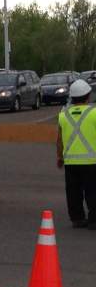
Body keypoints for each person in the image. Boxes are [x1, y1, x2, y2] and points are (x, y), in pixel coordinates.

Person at [56, 78, 96, 227]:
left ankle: (77, 218)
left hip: (71, 162)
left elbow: (59, 140)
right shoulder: (94, 113)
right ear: (88, 96)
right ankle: (94, 220)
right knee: (92, 191)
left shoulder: (63, 115)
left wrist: (59, 157)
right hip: (91, 161)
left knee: (73, 192)